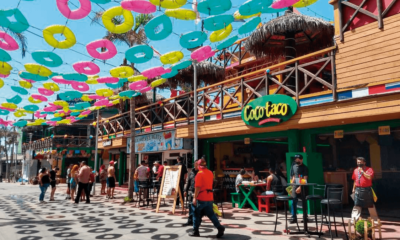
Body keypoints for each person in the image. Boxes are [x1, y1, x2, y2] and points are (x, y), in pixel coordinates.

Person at [189, 158, 225, 237]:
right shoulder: (210, 172)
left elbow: (197, 187)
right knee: (211, 214)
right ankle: (219, 227)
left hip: (201, 197)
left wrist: (194, 197)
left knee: (195, 214)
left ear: (199, 165)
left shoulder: (199, 174)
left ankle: (195, 231)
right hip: (209, 197)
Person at [351, 157, 378, 222]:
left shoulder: (369, 169)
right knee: (356, 204)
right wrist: (353, 188)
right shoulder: (355, 170)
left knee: (370, 205)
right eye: (358, 162)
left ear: (364, 162)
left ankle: (374, 219)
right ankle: (354, 219)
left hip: (367, 189)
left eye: (360, 162)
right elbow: (355, 180)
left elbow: (369, 177)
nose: (359, 164)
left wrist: (362, 172)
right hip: (358, 189)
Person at [290, 154, 308, 224]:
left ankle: (305, 217)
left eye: (298, 159)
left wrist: (300, 187)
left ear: (301, 159)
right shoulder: (293, 166)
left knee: (304, 202)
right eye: (296, 159)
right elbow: (293, 176)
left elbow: (305, 178)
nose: (297, 160)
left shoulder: (305, 168)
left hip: (302, 186)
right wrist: (291, 185)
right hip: (294, 186)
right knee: (293, 201)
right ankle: (293, 217)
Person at [183, 161, 198, 226]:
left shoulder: (200, 172)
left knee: (198, 208)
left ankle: (197, 221)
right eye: (195, 164)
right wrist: (185, 190)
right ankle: (190, 220)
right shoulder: (192, 172)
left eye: (197, 164)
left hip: (198, 192)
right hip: (192, 191)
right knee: (191, 206)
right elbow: (188, 181)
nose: (195, 165)